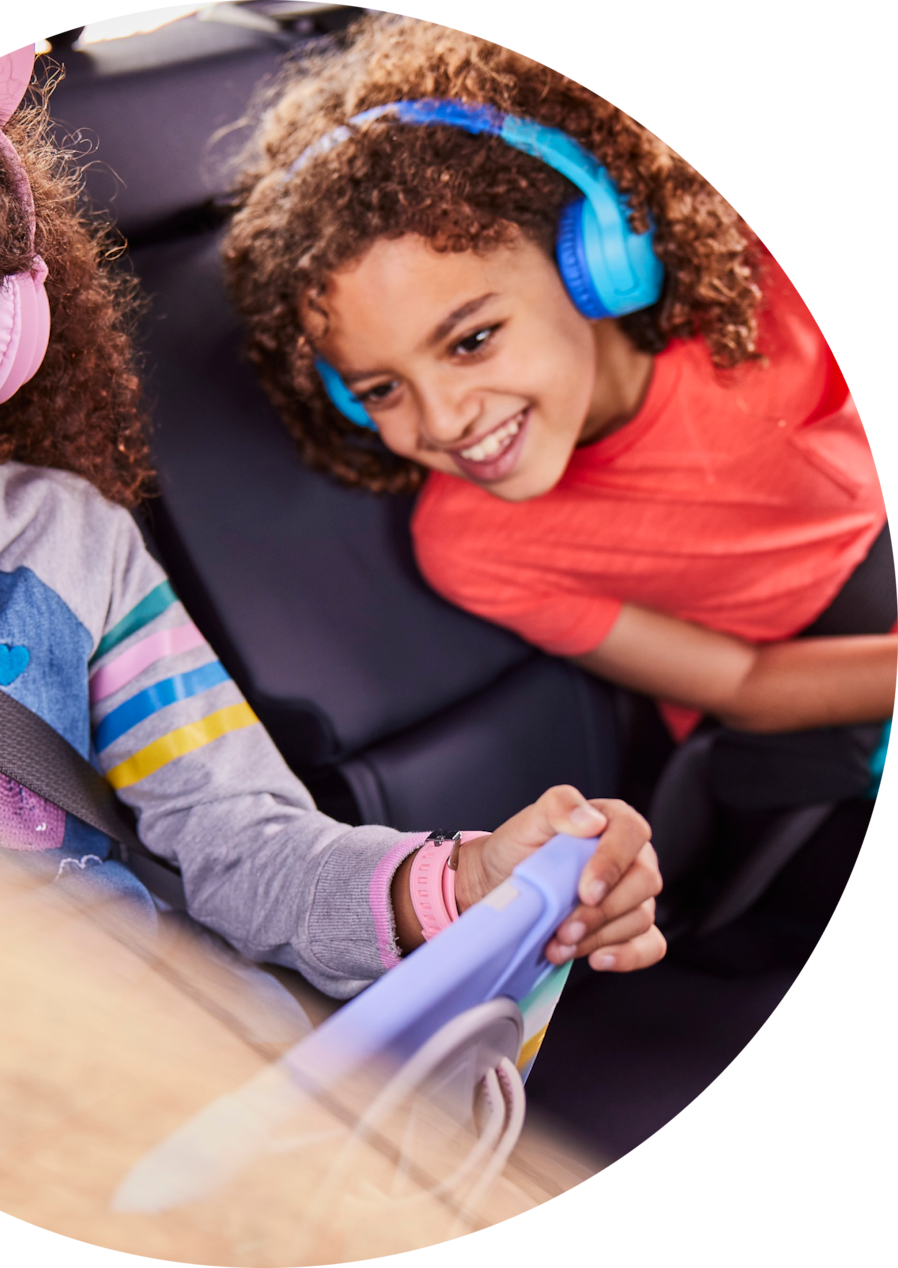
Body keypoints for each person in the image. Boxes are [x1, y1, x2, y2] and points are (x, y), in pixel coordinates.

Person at [0, 44, 662, 1023]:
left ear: (4, 341)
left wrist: (467, 881)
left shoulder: (70, 545)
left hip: (213, 1074)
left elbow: (242, 843)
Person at [221, 15, 895, 922]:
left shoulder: (763, 297)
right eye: (380, 389)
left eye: (472, 340)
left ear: (600, 263)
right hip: (821, 724)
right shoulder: (471, 543)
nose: (442, 420)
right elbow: (745, 686)